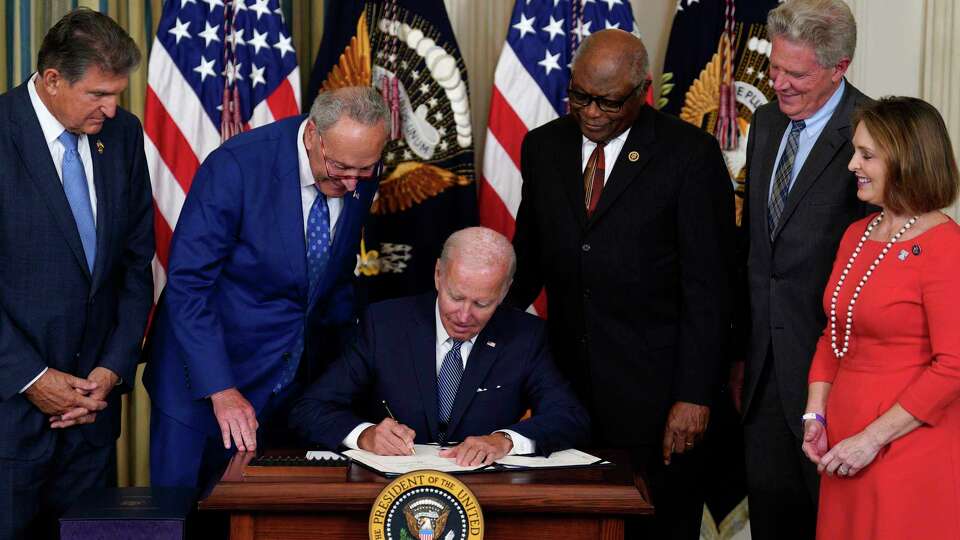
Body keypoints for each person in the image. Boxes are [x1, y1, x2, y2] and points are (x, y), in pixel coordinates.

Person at [507, 29, 734, 539]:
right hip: (566, 392)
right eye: (579, 96)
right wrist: (475, 326)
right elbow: (530, 257)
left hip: (657, 398)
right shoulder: (543, 146)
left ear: (643, 91)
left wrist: (694, 395)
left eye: (607, 102)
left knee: (658, 527)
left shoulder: (689, 155)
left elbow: (710, 288)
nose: (589, 112)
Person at [144, 87, 390, 490]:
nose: (351, 183)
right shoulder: (237, 167)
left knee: (269, 518)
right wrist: (220, 388)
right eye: (340, 167)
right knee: (186, 517)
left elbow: (335, 281)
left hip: (289, 385)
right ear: (312, 134)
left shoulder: (358, 166)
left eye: (364, 171)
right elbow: (190, 285)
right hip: (204, 383)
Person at [0, 9, 154, 539]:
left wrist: (110, 370)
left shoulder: (124, 137)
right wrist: (32, 378)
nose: (112, 108)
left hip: (92, 417)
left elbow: (136, 267)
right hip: (8, 422)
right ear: (51, 79)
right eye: (98, 95)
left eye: (117, 93)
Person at [735, 1, 873, 537]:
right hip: (763, 372)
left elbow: (873, 263)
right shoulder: (766, 122)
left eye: (796, 74)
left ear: (839, 69)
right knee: (772, 518)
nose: (778, 84)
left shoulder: (870, 128)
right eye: (774, 68)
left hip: (835, 374)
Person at [290, 227, 590, 464]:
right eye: (456, 297)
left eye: (482, 303)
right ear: (438, 275)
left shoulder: (525, 336)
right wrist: (365, 435)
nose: (464, 315)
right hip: (389, 491)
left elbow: (569, 417)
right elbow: (310, 409)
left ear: (505, 291)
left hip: (487, 495)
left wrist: (504, 441)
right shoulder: (384, 324)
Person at [801, 97, 960, 540]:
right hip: (843, 443)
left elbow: (954, 366)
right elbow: (835, 333)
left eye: (867, 155)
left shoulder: (946, 246)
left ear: (908, 161)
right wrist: (815, 418)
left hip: (907, 446)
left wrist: (871, 438)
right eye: (855, 151)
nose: (853, 164)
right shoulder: (858, 233)